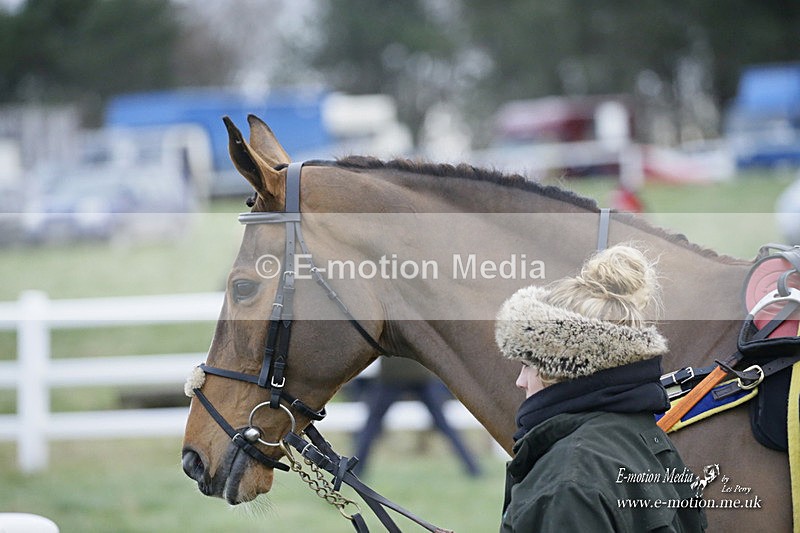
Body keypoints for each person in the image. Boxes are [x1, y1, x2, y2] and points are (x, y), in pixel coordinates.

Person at [494, 244, 706, 532]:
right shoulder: (645, 439)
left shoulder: (567, 482)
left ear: (562, 368)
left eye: (528, 364)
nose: (520, 381)